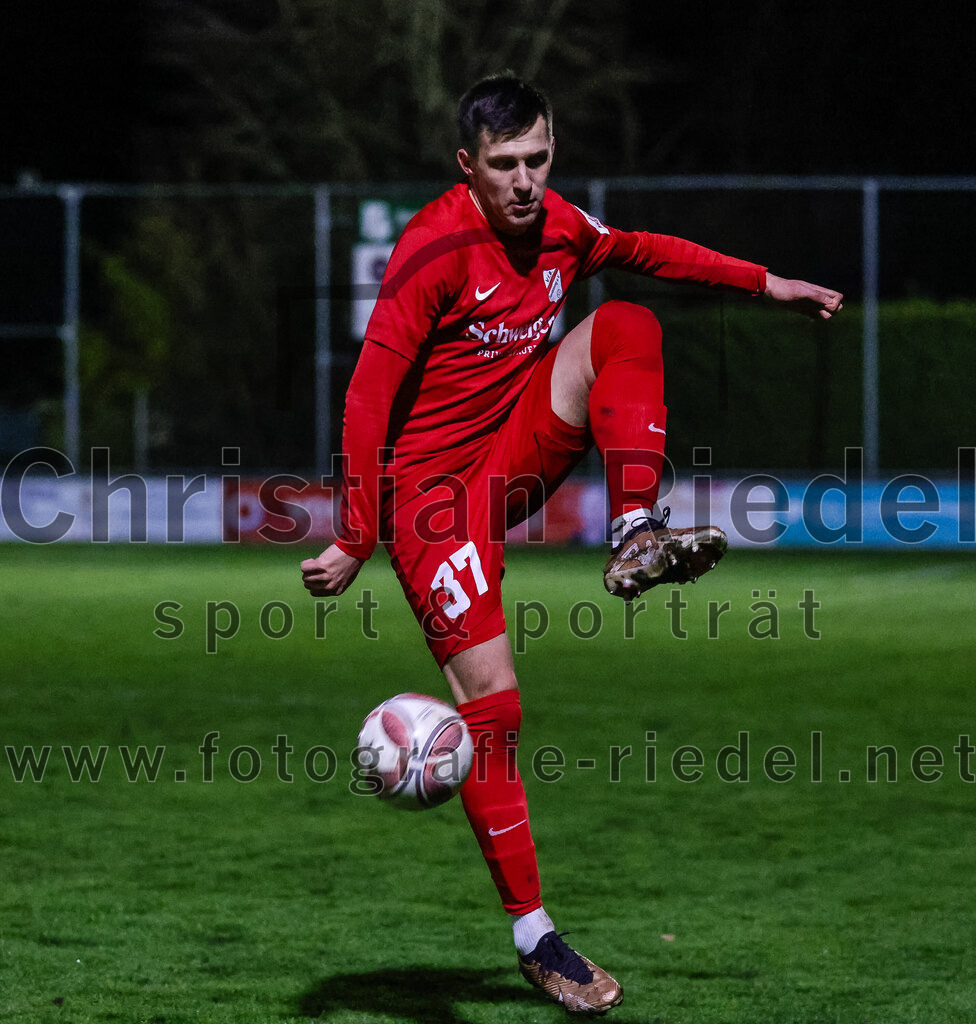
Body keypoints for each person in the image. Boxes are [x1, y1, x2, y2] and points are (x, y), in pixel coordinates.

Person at [301, 73, 842, 1015]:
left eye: (538, 159)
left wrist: (767, 285)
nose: (524, 181)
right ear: (466, 166)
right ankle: (534, 936)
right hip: (431, 502)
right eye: (504, 165)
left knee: (626, 320)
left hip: (511, 453)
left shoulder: (557, 225)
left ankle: (635, 527)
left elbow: (648, 252)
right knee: (496, 715)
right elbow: (365, 401)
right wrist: (356, 532)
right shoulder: (432, 252)